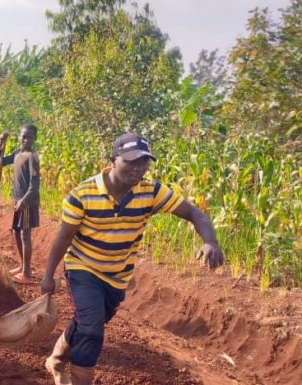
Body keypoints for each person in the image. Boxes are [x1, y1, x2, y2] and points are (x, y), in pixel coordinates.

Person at [40, 132, 225, 385]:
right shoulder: (82, 194)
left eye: (144, 162)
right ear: (113, 160)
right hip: (83, 268)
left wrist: (210, 242)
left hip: (117, 276)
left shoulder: (151, 191)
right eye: (131, 161)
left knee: (86, 322)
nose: (138, 168)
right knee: (92, 331)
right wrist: (48, 275)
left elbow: (193, 213)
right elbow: (63, 237)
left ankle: (57, 359)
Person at [0, 124, 40, 284]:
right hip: (17, 200)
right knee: (16, 231)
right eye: (24, 136)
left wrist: (23, 201)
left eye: (30, 137)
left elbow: (34, 186)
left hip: (27, 201)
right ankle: (22, 266)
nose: (26, 140)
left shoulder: (32, 158)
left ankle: (26, 272)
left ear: (35, 139)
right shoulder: (17, 153)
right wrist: (1, 143)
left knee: (25, 234)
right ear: (19, 136)